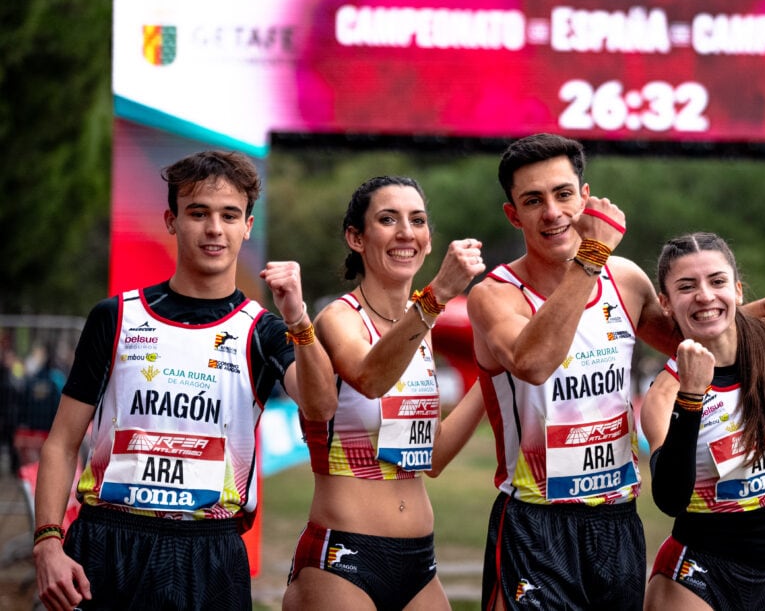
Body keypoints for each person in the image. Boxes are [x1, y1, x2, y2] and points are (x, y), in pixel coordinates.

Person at [466, 134, 765, 610]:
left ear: (584, 197)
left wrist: (756, 311)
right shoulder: (495, 295)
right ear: (514, 214)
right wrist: (591, 257)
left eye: (563, 194)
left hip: (617, 515)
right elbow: (533, 362)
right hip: (538, 518)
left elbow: (697, 339)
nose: (552, 212)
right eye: (533, 201)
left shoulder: (624, 278)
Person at [32, 149, 335, 611]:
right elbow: (60, 442)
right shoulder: (115, 317)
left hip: (208, 550)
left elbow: (320, 406)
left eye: (229, 215)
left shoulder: (263, 330)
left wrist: (297, 317)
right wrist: (48, 543)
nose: (214, 228)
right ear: (172, 221)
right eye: (198, 213)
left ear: (247, 226)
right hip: (107, 542)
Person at [282, 175, 487, 611]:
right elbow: (369, 377)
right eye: (388, 219)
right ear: (356, 237)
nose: (405, 233)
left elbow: (429, 458)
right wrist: (437, 297)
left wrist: (493, 374)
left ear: (429, 240)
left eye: (417, 220)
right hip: (343, 557)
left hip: (419, 561)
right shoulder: (339, 318)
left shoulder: (420, 329)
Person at [641, 232, 765, 611]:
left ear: (737, 290)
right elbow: (670, 499)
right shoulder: (664, 395)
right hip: (700, 576)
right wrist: (691, 397)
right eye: (687, 287)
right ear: (666, 303)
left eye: (717, 281)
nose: (705, 296)